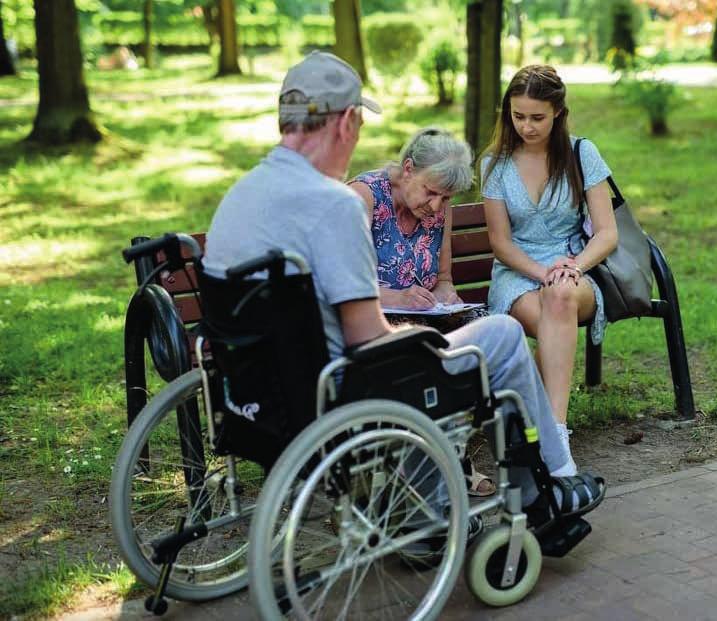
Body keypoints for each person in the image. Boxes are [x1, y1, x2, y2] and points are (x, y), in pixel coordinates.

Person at [203, 52, 603, 527]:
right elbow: (368, 338)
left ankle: (433, 511)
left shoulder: (240, 194)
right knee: (501, 337)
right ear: (347, 123)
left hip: (259, 388)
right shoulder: (338, 205)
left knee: (430, 357)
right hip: (336, 384)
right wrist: (424, 333)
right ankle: (552, 481)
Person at [480, 65, 618, 460]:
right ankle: (552, 440)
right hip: (519, 274)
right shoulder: (495, 164)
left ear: (557, 111)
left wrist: (571, 267)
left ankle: (552, 434)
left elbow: (607, 233)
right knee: (554, 309)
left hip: (577, 268)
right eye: (518, 115)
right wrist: (544, 272)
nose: (526, 126)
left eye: (537, 117)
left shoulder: (581, 153)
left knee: (560, 297)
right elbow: (500, 243)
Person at [349, 127, 494, 496]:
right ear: (408, 169)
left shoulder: (437, 212)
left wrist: (448, 296)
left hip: (424, 321)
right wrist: (397, 297)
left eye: (445, 198)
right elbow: (344, 286)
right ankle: (439, 464)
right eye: (431, 192)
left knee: (480, 335)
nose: (436, 207)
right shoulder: (363, 199)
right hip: (373, 325)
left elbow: (443, 278)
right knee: (427, 357)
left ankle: (455, 452)